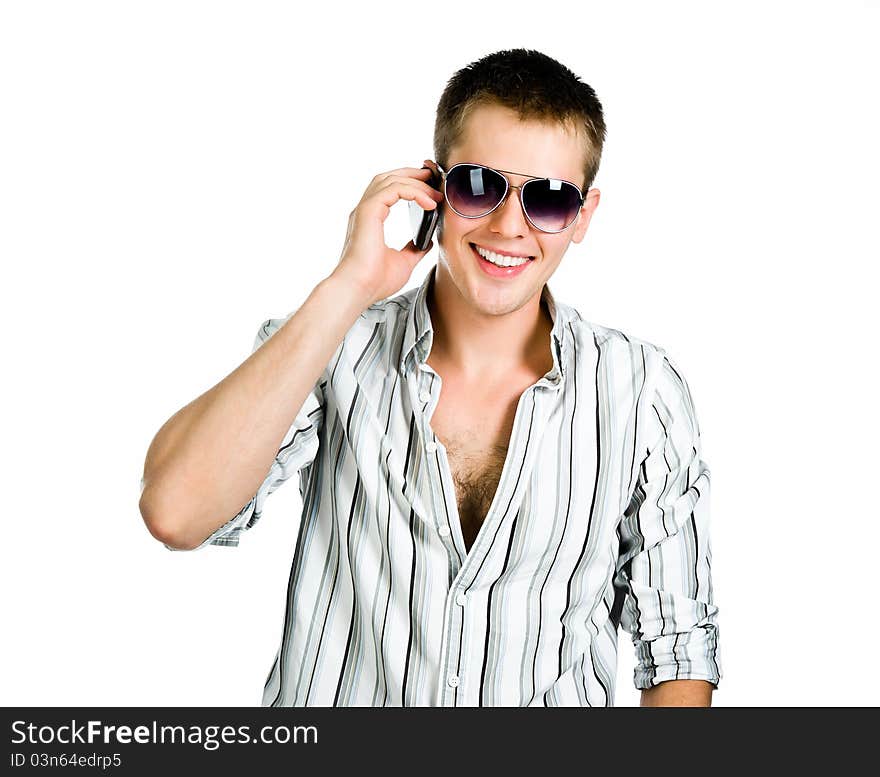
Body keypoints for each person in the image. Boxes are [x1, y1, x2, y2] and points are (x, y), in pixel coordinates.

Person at [139, 48, 722, 707]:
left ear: (582, 216)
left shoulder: (639, 389)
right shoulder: (335, 349)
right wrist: (349, 284)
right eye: (479, 186)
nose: (509, 225)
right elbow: (175, 511)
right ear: (434, 188)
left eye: (549, 199)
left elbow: (677, 642)